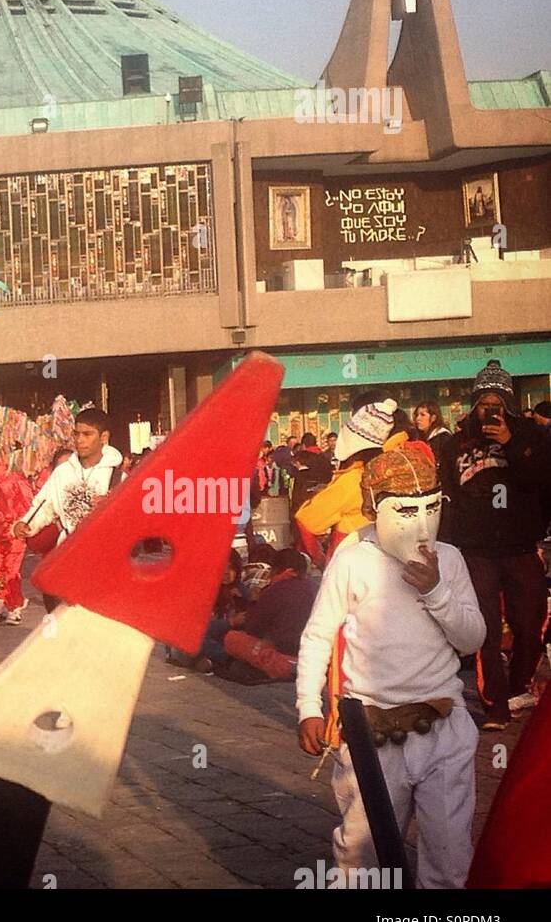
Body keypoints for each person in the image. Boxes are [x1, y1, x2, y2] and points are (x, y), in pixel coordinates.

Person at [296, 444, 486, 889]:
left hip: (442, 723)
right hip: (371, 731)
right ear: (374, 507)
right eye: (405, 511)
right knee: (363, 856)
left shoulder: (450, 559)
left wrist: (437, 590)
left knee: (450, 855)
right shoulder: (353, 558)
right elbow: (319, 633)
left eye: (430, 509)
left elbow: (472, 639)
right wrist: (308, 705)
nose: (420, 526)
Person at [437, 360, 551, 729]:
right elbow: (449, 495)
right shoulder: (456, 443)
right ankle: (495, 706)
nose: (490, 410)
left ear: (509, 404)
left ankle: (518, 686)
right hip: (476, 549)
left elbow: (538, 481)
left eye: (497, 402)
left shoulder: (532, 436)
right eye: (484, 403)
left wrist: (510, 443)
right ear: (473, 404)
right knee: (484, 627)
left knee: (529, 624)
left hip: (521, 546)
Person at [12, 408, 123, 611]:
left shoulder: (117, 477)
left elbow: (129, 521)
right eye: (77, 433)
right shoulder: (63, 472)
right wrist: (26, 523)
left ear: (104, 437)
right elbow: (45, 504)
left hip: (103, 562)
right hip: (68, 556)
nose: (80, 440)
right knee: (67, 620)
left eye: (87, 434)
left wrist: (110, 508)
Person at [294, 393, 399, 569]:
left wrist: (322, 562)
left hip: (349, 568)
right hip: (390, 568)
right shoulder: (397, 471)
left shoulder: (352, 480)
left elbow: (305, 521)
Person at [211, 548, 317, 682]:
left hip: (285, 651)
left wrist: (250, 605)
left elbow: (253, 630)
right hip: (314, 651)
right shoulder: (316, 587)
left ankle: (287, 666)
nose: (226, 573)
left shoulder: (273, 590)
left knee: (232, 638)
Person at [0, 459, 33, 625]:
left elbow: (29, 505)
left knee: (10, 572)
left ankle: (14, 607)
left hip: (14, 533)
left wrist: (22, 524)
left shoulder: (16, 479)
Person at [289, 432, 333, 516]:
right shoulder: (325, 458)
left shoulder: (301, 457)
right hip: (324, 498)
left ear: (303, 445)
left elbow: (296, 479)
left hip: (305, 500)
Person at [413, 401, 451, 466]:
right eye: (417, 415)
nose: (418, 419)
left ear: (433, 418)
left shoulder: (443, 437)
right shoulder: (420, 437)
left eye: (422, 415)